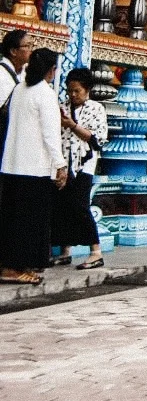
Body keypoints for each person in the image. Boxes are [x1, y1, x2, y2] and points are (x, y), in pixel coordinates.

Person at [0, 48, 65, 285]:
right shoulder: (45, 94)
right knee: (28, 221)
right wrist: (60, 164)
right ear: (51, 70)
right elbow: (50, 135)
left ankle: (12, 265)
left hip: (11, 165)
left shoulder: (19, 90)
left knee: (12, 218)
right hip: (34, 168)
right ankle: (14, 268)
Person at [54, 68, 106, 270]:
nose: (73, 95)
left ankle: (95, 251)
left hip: (85, 163)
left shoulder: (96, 109)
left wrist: (72, 125)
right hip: (64, 163)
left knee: (80, 206)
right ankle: (65, 251)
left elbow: (97, 139)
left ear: (87, 90)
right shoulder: (62, 107)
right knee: (62, 205)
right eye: (70, 91)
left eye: (77, 91)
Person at [0, 29, 35, 206]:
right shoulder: (1, 75)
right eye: (27, 46)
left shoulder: (27, 74)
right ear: (13, 51)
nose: (31, 50)